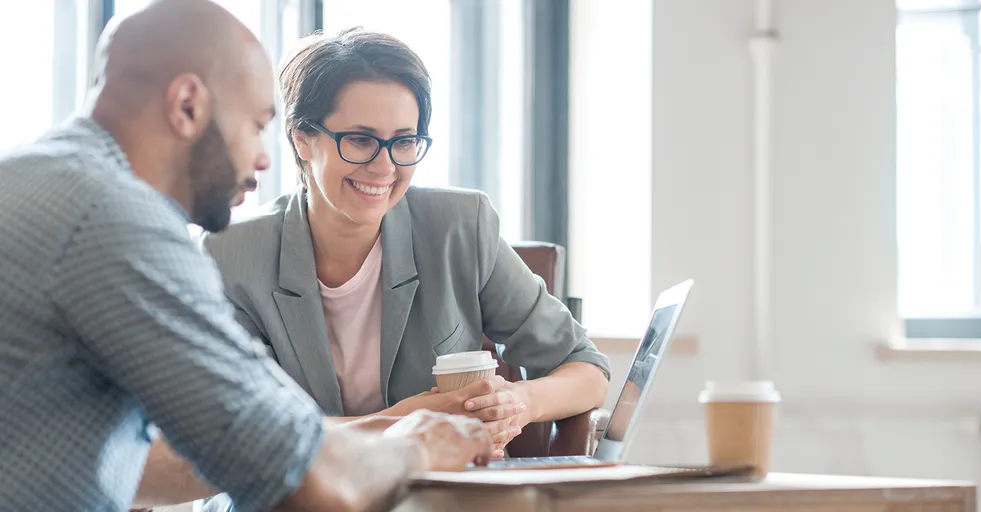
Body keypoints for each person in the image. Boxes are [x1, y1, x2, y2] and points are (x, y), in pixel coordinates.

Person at [0, 1, 492, 511]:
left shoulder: (35, 179)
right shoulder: (115, 219)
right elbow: (306, 486)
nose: (261, 157)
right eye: (256, 125)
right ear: (188, 104)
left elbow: (138, 469)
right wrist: (418, 446)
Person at [199, 28, 611, 455]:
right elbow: (244, 432)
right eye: (360, 140)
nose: (384, 166)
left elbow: (586, 368)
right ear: (302, 138)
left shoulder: (459, 228)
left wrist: (518, 403)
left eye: (404, 141)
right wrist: (401, 423)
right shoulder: (231, 256)